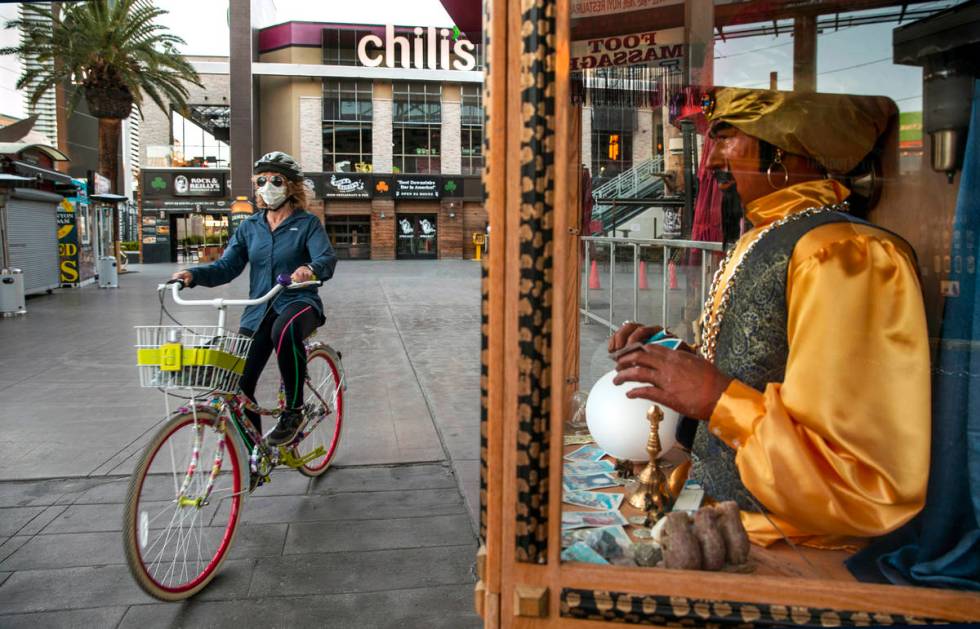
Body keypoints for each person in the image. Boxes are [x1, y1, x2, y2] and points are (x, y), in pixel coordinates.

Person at [608, 87, 931, 550]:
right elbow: (764, 365)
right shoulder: (762, 240)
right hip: (719, 515)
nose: (712, 162)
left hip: (789, 540)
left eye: (726, 138)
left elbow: (860, 479)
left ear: (781, 149)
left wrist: (715, 397)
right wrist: (676, 359)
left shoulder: (846, 255)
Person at [172, 151, 337, 446]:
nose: (268, 185)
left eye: (276, 180)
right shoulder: (249, 227)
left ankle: (294, 410)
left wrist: (309, 269)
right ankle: (254, 456)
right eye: (262, 180)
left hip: (298, 303)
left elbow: (325, 258)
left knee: (283, 331)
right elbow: (227, 267)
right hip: (258, 309)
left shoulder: (308, 224)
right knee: (238, 381)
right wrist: (192, 275)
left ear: (291, 186)